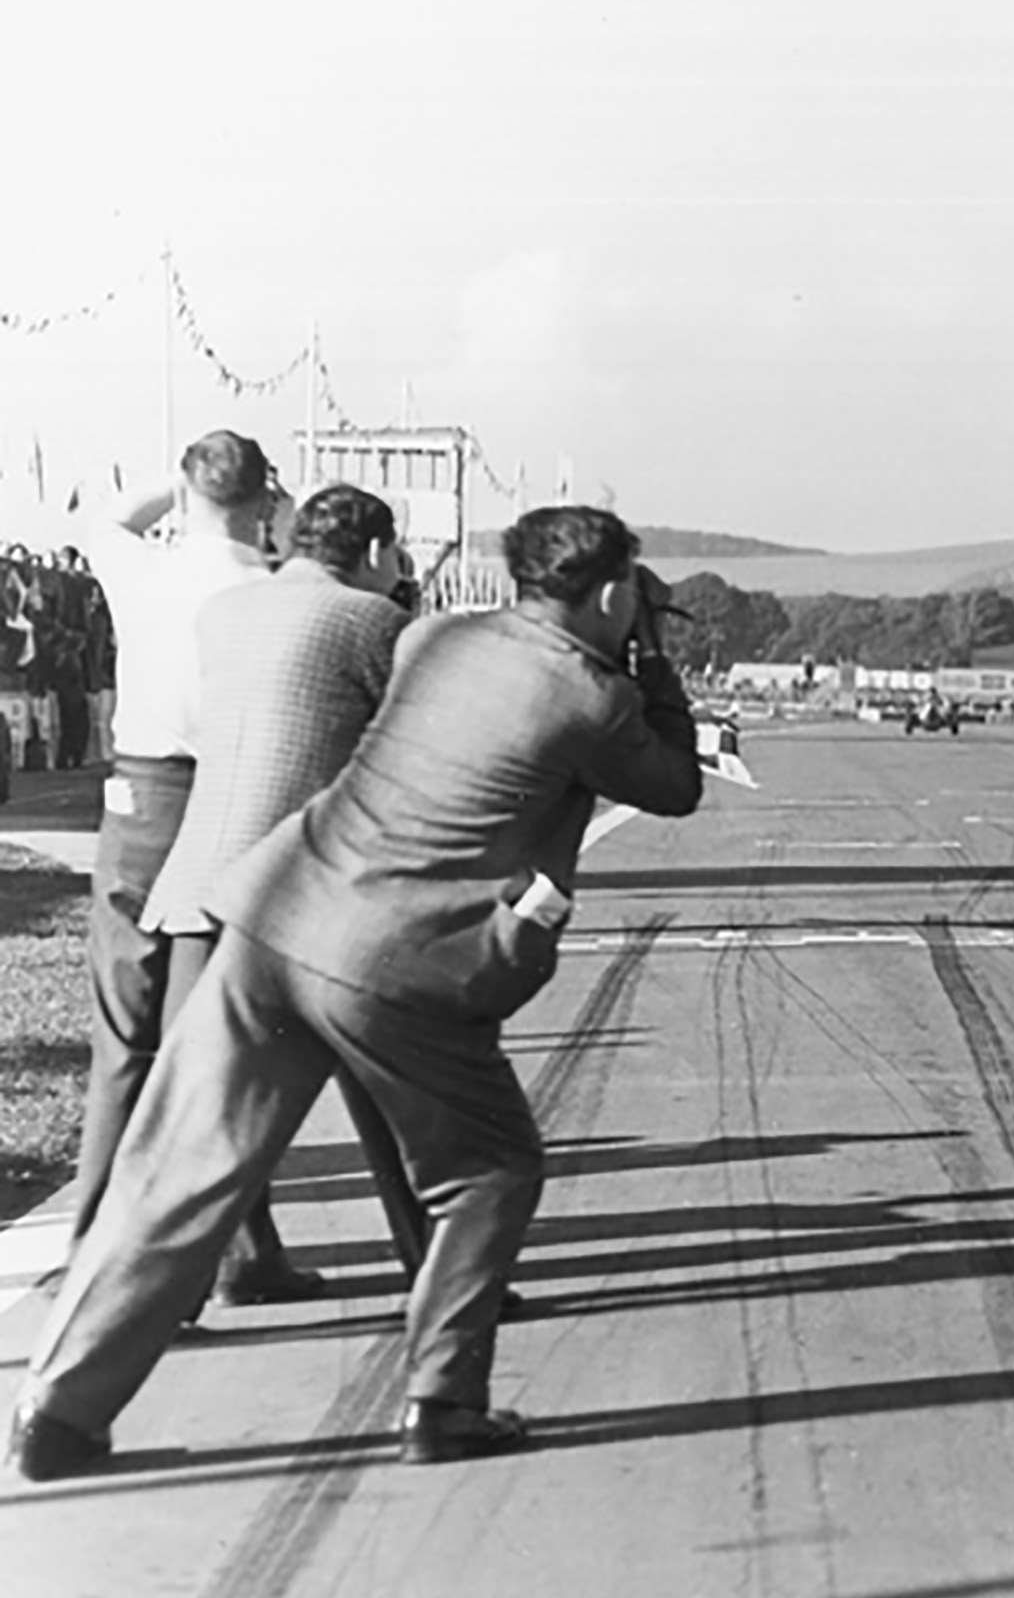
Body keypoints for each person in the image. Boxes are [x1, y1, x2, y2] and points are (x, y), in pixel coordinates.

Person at [9, 505, 703, 1481]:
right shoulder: (592, 696)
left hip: (273, 909)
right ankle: (442, 1400)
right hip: (395, 957)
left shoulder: (436, 639)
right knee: (490, 1170)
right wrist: (652, 658)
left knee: (180, 1168)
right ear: (610, 592)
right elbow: (674, 783)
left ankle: (57, 1409)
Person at [138, 483, 426, 1299]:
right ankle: (435, 1265)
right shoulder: (376, 622)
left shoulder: (224, 615)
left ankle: (214, 1273)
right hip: (303, 899)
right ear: (374, 553)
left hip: (197, 884)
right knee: (393, 1088)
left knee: (200, 1104)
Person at [57, 432, 280, 1271]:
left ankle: (94, 1247)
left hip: (142, 797)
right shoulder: (271, 583)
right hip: (235, 795)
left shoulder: (141, 568)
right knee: (220, 1034)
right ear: (263, 502)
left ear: (188, 501)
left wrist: (177, 488)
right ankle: (240, 1251)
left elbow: (101, 516)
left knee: (127, 1034)